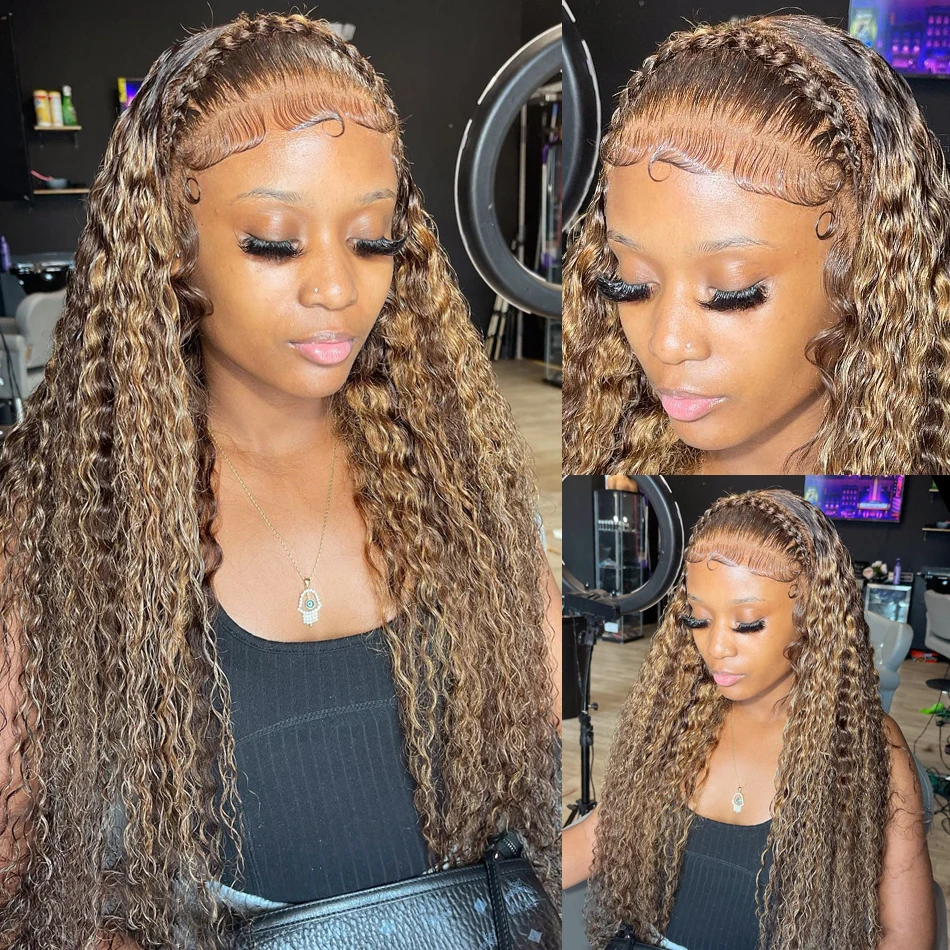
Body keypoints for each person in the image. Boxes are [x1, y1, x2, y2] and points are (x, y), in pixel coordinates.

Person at [0, 13, 561, 949]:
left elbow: (532, 776)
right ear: (171, 244)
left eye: (372, 240)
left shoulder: (460, 488)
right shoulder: (56, 525)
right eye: (273, 241)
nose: (337, 288)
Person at [562, 13, 950, 475]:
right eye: (631, 285)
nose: (667, 343)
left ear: (869, 273)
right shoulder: (599, 454)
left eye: (733, 292)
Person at [562, 489, 936, 949]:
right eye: (698, 620)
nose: (716, 648)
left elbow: (906, 934)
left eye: (748, 624)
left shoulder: (867, 747)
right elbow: (601, 834)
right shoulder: (676, 716)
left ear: (812, 618)